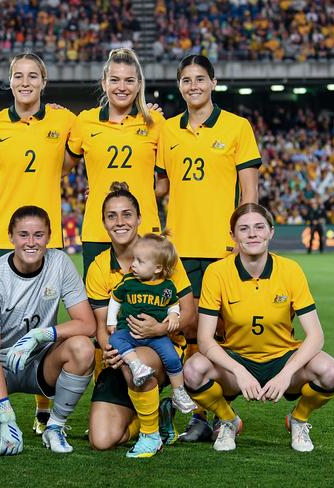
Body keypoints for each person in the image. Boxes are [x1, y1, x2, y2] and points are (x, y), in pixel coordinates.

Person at [155, 54, 260, 441]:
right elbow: (163, 185)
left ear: (213, 82)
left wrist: (244, 239)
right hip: (178, 250)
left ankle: (219, 415)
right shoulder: (167, 130)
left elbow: (249, 189)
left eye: (200, 78)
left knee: (221, 337)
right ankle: (205, 415)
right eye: (186, 80)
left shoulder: (237, 127)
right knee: (185, 333)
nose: (193, 85)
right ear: (179, 85)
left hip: (222, 249)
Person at [0, 52, 77, 433]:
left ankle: (42, 409)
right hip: (2, 237)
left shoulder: (65, 120)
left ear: (44, 82)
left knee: (42, 322)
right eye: (19, 76)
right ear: (10, 81)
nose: (26, 82)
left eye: (33, 76)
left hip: (43, 240)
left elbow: (71, 159)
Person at [183, 203, 334, 452]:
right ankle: (228, 420)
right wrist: (239, 371)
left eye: (259, 227)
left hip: (283, 360)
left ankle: (298, 419)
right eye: (244, 229)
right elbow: (205, 339)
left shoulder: (290, 270)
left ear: (271, 232)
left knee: (331, 371)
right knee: (192, 370)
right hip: (237, 361)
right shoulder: (217, 272)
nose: (252, 234)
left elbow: (316, 336)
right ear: (233, 235)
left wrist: (286, 373)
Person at [0, 205, 96, 455]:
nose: (31, 242)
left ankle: (54, 427)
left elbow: (87, 324)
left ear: (49, 236)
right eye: (23, 235)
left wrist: (42, 334)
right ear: (11, 236)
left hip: (40, 359)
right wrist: (7, 414)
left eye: (38, 235)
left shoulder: (60, 263)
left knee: (83, 347)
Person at [86, 182, 195, 458]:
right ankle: (157, 416)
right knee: (102, 440)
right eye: (112, 216)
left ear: (139, 219)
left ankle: (150, 435)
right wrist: (110, 351)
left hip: (161, 350)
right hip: (120, 354)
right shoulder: (99, 266)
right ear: (103, 222)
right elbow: (102, 324)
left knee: (141, 361)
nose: (120, 222)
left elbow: (189, 312)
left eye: (127, 214)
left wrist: (162, 326)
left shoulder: (161, 254)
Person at [65, 48, 165, 277]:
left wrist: (139, 189)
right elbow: (58, 169)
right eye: (115, 80)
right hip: (97, 231)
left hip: (145, 231)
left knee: (147, 306)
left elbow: (166, 183)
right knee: (99, 308)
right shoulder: (85, 121)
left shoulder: (156, 122)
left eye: (129, 80)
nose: (122, 87)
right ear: (104, 83)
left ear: (139, 84)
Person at [106, 232, 197, 414]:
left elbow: (173, 305)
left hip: (157, 336)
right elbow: (115, 299)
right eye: (133, 259)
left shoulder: (167, 287)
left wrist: (173, 317)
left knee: (171, 357)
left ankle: (179, 392)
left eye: (139, 261)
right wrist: (111, 321)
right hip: (128, 331)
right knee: (115, 340)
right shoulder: (129, 281)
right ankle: (136, 365)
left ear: (157, 268)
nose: (132, 265)